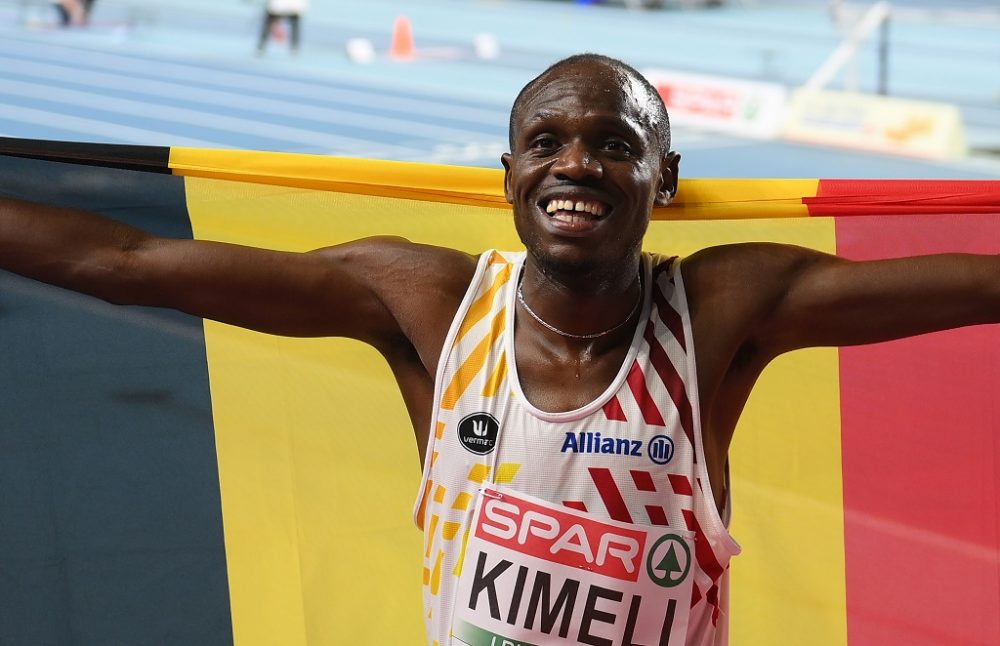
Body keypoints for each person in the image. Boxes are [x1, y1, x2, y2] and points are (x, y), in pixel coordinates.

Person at [0, 53, 997, 644]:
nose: (576, 163)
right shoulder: (427, 301)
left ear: (664, 176)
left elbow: (982, 283)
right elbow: (128, 259)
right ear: (508, 169)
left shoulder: (720, 308)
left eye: (614, 143)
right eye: (548, 140)